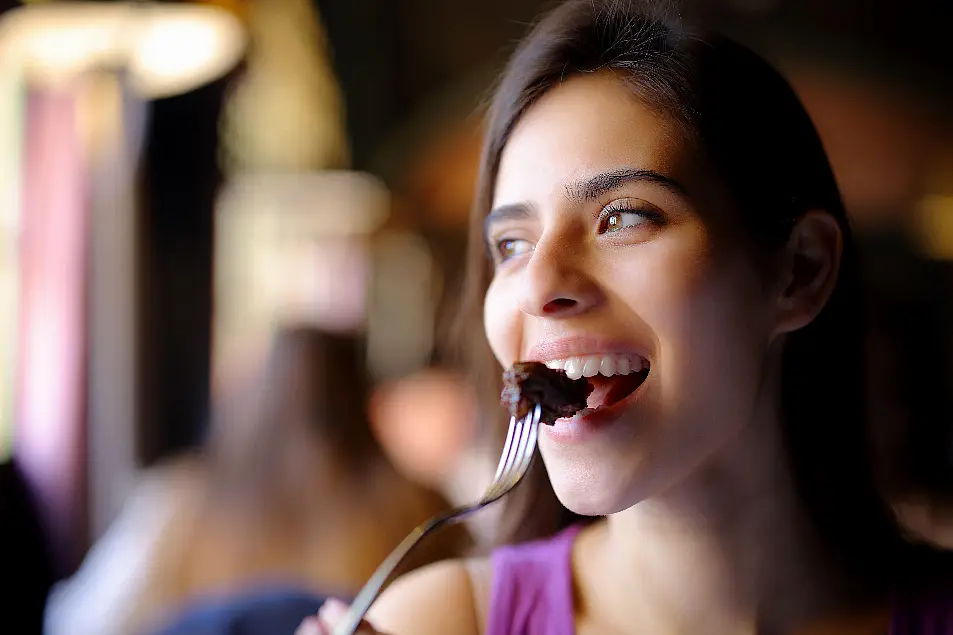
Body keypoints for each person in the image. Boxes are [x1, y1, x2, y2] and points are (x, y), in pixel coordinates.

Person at [301, 1, 953, 634]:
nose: (539, 285)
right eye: (511, 245)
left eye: (624, 216)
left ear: (798, 270)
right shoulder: (438, 624)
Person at [45, 326, 470, 635]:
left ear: (254, 394)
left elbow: (79, 623)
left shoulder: (179, 502)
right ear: (361, 396)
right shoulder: (426, 507)